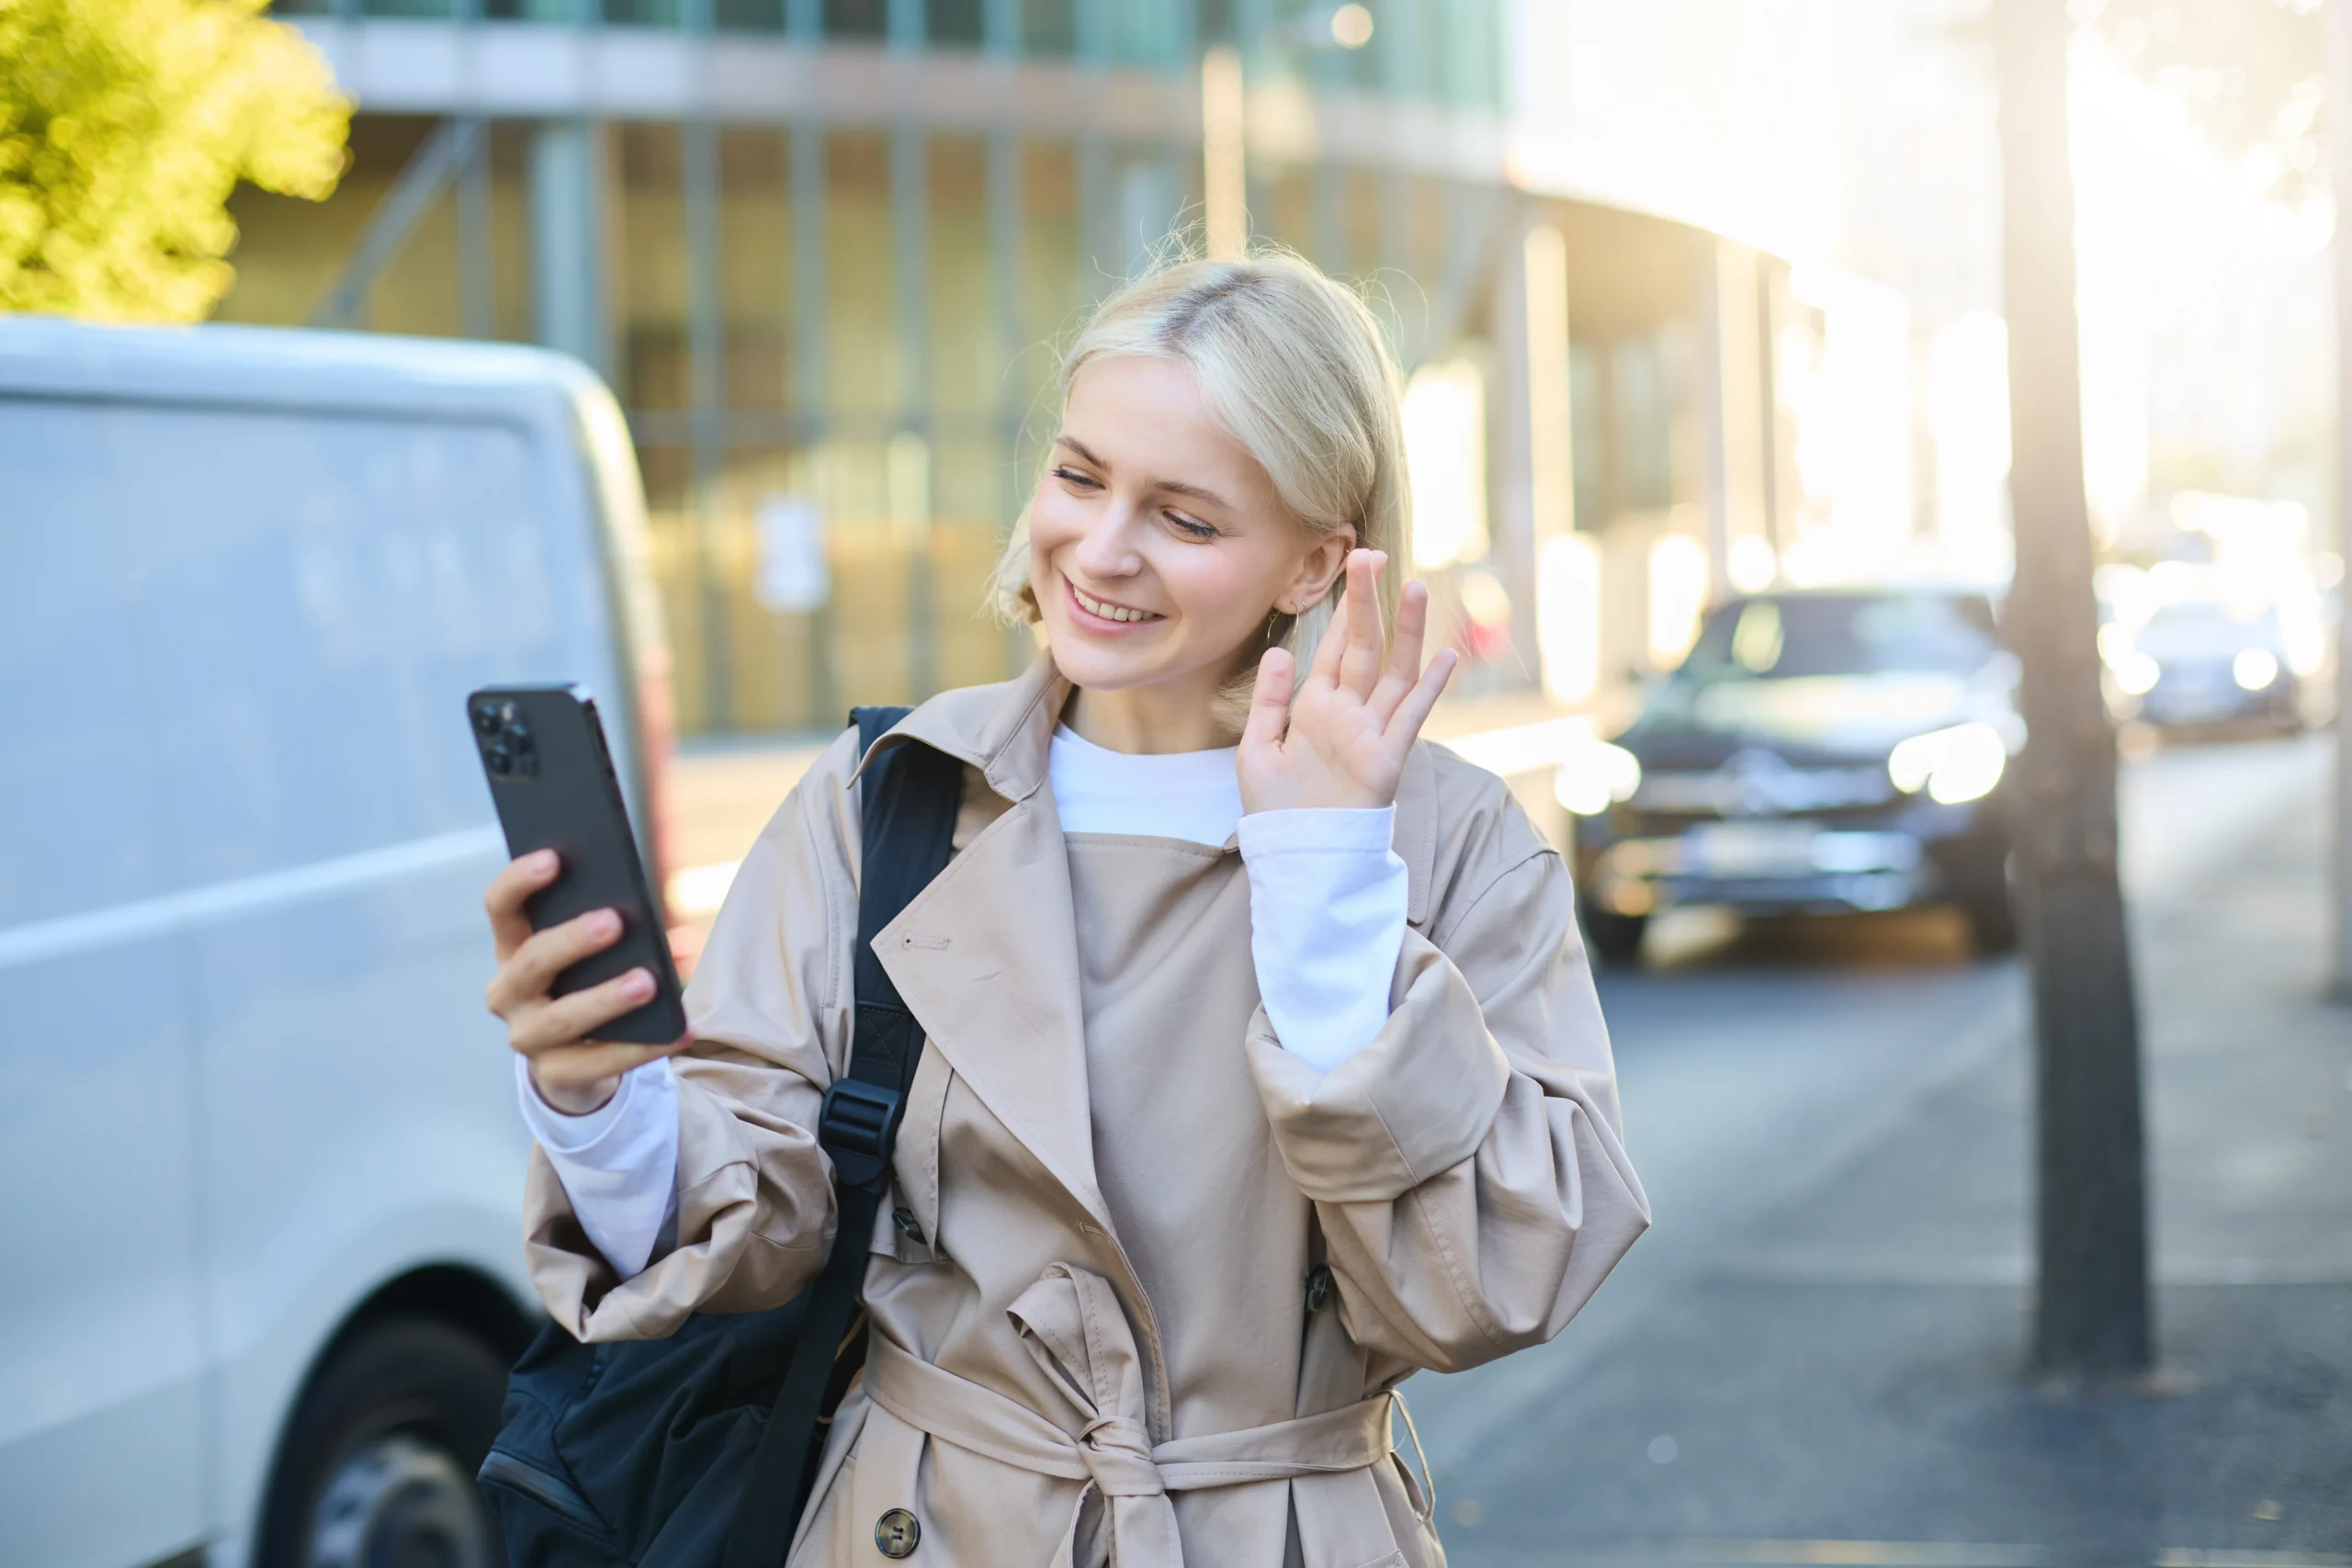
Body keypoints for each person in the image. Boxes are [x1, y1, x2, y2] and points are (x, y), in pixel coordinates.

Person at [482, 248, 1650, 1568]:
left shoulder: (1442, 839)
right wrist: (596, 1102)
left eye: (1185, 518)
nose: (1100, 550)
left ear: (1317, 562)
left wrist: (1324, 878)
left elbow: (1493, 1279)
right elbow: (754, 1221)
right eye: (1080, 475)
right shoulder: (892, 797)